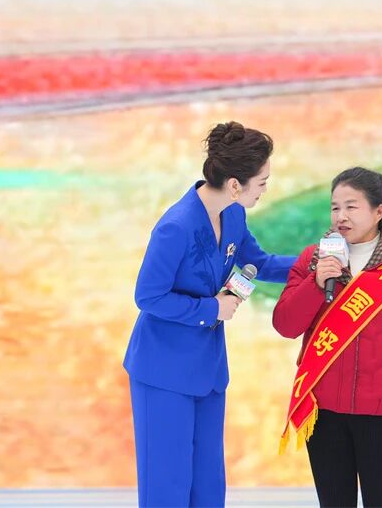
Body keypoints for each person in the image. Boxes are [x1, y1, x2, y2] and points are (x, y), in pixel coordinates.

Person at [124, 121, 296, 508]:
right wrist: (212, 308)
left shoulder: (233, 215)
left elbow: (259, 262)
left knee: (208, 484)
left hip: (208, 370)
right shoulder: (176, 227)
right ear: (235, 184)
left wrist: (314, 264)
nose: (264, 190)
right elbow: (148, 296)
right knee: (167, 485)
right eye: (262, 182)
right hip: (163, 371)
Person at [273, 167, 382, 508]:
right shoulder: (314, 259)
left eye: (352, 207)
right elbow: (286, 325)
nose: (341, 216)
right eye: (335, 207)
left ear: (378, 212)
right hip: (323, 411)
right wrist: (315, 284)